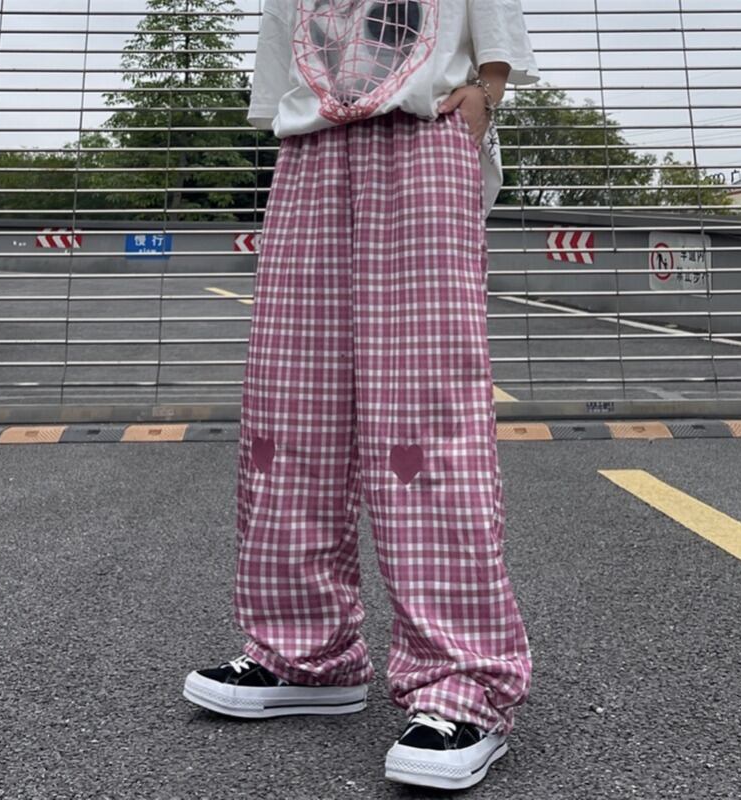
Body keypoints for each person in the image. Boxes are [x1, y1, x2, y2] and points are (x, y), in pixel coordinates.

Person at [183, 0, 540, 790]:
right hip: (311, 143)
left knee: (423, 413)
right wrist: (286, 113)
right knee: (290, 405)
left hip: (422, 131)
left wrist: (489, 89)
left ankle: (463, 682)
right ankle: (305, 654)